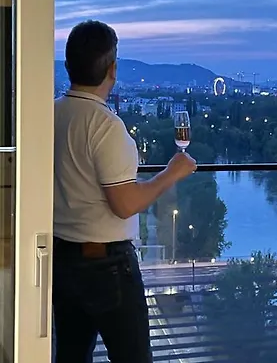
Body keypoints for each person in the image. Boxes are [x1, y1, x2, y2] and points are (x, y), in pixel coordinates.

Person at [52, 20, 197, 363]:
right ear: (113, 69)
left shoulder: (51, 114)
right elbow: (125, 204)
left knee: (71, 355)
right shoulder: (105, 126)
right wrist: (172, 173)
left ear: (69, 65)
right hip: (107, 267)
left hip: (60, 258)